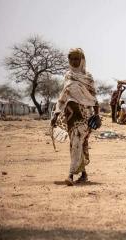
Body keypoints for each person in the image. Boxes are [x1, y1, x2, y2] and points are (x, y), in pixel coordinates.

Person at [50, 48, 101, 186]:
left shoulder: (88, 77)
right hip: (71, 115)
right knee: (75, 144)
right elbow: (63, 96)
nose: (74, 61)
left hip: (85, 115)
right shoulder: (68, 76)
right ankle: (83, 174)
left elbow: (94, 98)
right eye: (71, 58)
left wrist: (97, 115)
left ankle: (70, 175)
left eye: (76, 58)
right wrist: (56, 113)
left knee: (78, 140)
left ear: (82, 60)